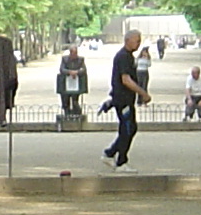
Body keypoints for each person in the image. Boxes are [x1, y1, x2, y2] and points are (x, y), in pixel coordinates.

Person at [99, 28, 149, 167]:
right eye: (136, 41)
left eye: (140, 41)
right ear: (128, 41)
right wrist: (142, 93)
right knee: (127, 128)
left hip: (126, 98)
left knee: (130, 128)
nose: (139, 44)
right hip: (123, 99)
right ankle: (120, 160)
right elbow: (125, 79)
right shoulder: (123, 57)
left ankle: (110, 153)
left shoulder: (129, 56)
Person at [57, 48, 88, 120]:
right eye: (73, 53)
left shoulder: (80, 59)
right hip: (66, 83)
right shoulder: (65, 59)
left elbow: (84, 70)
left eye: (76, 53)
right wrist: (70, 72)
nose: (75, 55)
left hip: (76, 84)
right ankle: (67, 115)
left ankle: (76, 115)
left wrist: (76, 72)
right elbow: (62, 69)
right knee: (65, 101)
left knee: (75, 101)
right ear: (70, 53)